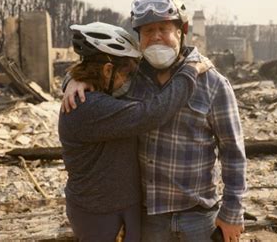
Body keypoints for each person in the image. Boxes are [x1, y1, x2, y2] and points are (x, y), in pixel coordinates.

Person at [62, 0, 247, 242]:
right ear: (139, 39)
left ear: (181, 31)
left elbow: (233, 152)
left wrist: (233, 211)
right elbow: (99, 78)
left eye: (163, 28)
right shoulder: (131, 79)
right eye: (148, 31)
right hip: (149, 218)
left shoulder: (212, 83)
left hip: (198, 216)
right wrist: (74, 80)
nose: (155, 36)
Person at [58, 22, 210, 241]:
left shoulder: (100, 93)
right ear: (107, 70)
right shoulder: (87, 107)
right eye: (126, 73)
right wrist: (190, 71)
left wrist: (73, 79)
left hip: (118, 206)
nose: (129, 81)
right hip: (101, 214)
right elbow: (152, 113)